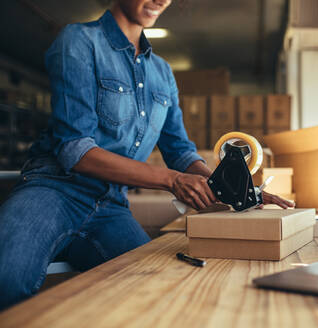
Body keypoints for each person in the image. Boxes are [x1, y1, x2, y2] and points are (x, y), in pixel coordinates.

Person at [0, 0, 294, 311]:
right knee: (6, 276)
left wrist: (237, 188)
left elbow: (179, 151)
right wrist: (171, 180)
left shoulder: (163, 73)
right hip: (54, 189)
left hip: (110, 205)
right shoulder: (79, 41)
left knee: (160, 290)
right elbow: (75, 150)